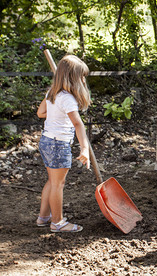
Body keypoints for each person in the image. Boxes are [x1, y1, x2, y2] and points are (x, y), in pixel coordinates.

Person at [36, 54, 91, 233]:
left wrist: (57, 115)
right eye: (82, 76)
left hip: (46, 141)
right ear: (73, 78)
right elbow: (78, 124)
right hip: (58, 145)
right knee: (58, 184)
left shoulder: (52, 93)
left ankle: (43, 217)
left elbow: (41, 112)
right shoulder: (67, 98)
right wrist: (84, 149)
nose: (83, 79)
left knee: (52, 181)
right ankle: (57, 222)